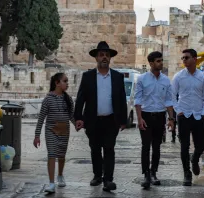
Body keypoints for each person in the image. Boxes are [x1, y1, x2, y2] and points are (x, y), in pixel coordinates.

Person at [74, 41, 127, 192]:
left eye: (107, 55)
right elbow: (81, 99)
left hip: (111, 120)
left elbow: (122, 99)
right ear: (96, 58)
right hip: (93, 120)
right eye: (101, 55)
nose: (104, 57)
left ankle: (108, 179)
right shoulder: (88, 76)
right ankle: (97, 175)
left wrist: (123, 120)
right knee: (95, 149)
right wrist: (78, 117)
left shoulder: (117, 77)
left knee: (109, 149)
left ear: (110, 58)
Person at [134, 51, 175, 189]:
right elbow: (138, 100)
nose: (161, 63)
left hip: (160, 116)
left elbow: (169, 100)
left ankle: (153, 173)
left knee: (157, 147)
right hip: (146, 115)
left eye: (161, 60)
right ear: (151, 63)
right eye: (158, 61)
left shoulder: (166, 80)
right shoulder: (142, 79)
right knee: (146, 146)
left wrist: (171, 118)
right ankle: (145, 174)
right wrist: (139, 118)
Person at [171, 49, 204, 186]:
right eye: (182, 58)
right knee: (184, 146)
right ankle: (187, 174)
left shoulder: (203, 77)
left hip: (198, 115)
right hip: (184, 115)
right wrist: (178, 110)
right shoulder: (178, 77)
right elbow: (171, 95)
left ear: (194, 59)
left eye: (186, 57)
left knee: (201, 144)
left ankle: (194, 159)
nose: (184, 60)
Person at [33, 73, 75, 193]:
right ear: (57, 83)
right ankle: (51, 183)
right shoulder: (48, 99)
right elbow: (41, 118)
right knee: (51, 155)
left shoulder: (68, 99)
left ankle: (60, 175)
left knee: (61, 156)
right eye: (65, 81)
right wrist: (37, 136)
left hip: (64, 131)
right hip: (51, 131)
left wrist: (79, 124)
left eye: (67, 81)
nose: (67, 84)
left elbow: (71, 116)